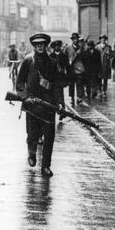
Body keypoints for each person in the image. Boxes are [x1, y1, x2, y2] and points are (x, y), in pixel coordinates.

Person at [16, 33, 64, 177]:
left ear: (46, 45)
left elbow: (57, 85)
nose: (40, 46)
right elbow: (19, 83)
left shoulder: (52, 63)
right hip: (32, 105)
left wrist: (60, 102)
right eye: (37, 44)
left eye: (42, 44)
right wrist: (25, 98)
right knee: (32, 135)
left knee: (49, 137)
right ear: (34, 46)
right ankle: (31, 154)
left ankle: (46, 166)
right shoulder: (28, 61)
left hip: (48, 106)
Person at [64, 33, 85, 105]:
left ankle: (79, 97)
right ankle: (72, 97)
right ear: (72, 40)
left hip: (79, 69)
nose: (75, 40)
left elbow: (85, 58)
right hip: (71, 69)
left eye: (76, 39)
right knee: (71, 84)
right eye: (74, 39)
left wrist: (80, 53)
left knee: (79, 83)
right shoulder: (68, 48)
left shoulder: (81, 48)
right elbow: (64, 57)